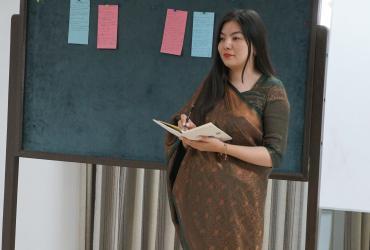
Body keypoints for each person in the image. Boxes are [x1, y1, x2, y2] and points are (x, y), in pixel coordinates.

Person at [164, 9, 290, 250]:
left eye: (235, 37)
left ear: (254, 43)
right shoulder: (213, 84)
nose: (226, 45)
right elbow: (189, 125)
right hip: (199, 201)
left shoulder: (271, 90)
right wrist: (186, 131)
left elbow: (273, 155)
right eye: (222, 38)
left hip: (239, 206)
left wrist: (222, 147)